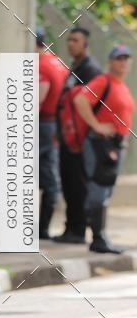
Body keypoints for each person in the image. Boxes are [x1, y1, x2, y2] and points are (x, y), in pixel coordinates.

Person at [74, 45, 134, 254]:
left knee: (106, 191)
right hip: (101, 144)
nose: (124, 62)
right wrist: (96, 125)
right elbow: (80, 100)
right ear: (110, 61)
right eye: (119, 58)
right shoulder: (103, 81)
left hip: (116, 145)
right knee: (99, 190)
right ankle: (98, 238)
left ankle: (100, 236)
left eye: (127, 58)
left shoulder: (122, 86)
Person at [53, 27, 102, 243]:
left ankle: (78, 229)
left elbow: (93, 106)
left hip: (81, 140)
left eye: (76, 40)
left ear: (85, 44)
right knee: (68, 183)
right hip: (67, 137)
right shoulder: (75, 67)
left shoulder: (91, 71)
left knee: (77, 185)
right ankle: (71, 228)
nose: (71, 43)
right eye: (69, 40)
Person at [37, 29, 67, 239]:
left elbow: (38, 98)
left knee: (23, 174)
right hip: (55, 124)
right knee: (49, 177)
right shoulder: (58, 62)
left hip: (39, 124)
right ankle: (43, 229)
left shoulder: (40, 66)